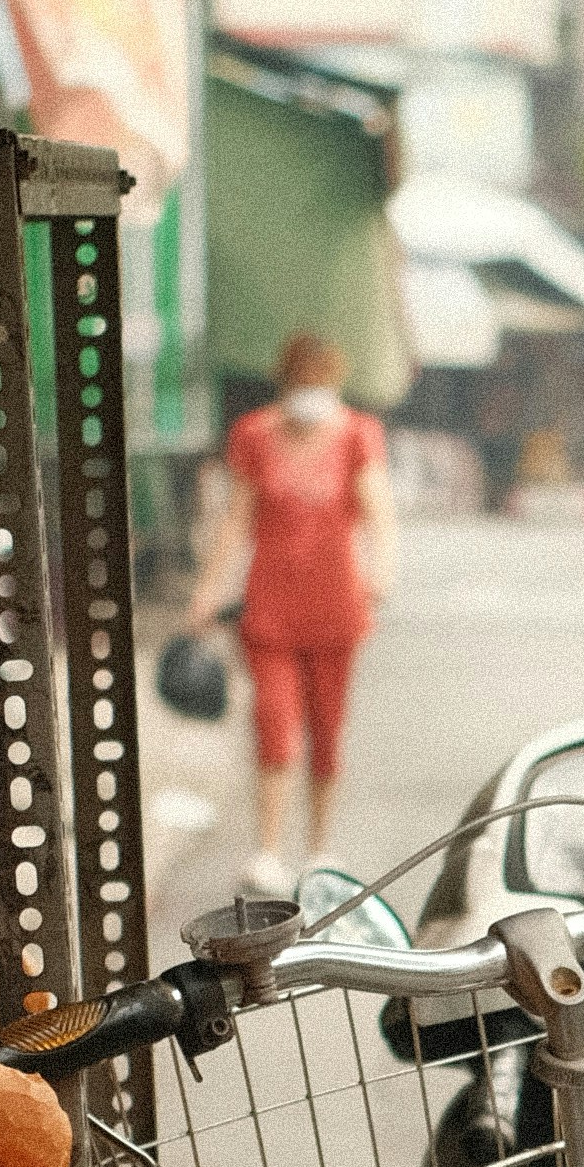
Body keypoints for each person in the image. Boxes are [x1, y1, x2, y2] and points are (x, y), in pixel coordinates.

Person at [189, 328, 397, 893]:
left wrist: (384, 567)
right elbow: (236, 520)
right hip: (270, 608)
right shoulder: (254, 435)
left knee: (327, 733)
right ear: (283, 385)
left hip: (337, 606)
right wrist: (207, 589)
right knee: (275, 726)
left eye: (318, 383)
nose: (309, 393)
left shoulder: (358, 434)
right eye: (300, 383)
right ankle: (267, 847)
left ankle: (320, 848)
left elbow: (378, 510)